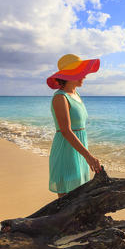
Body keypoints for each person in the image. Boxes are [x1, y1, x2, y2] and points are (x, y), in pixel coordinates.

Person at [46, 53, 101, 198]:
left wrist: (86, 155)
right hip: (66, 151)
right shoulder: (60, 97)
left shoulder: (76, 94)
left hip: (80, 149)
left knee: (80, 198)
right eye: (81, 73)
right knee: (66, 202)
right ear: (71, 75)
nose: (85, 76)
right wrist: (89, 156)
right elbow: (66, 131)